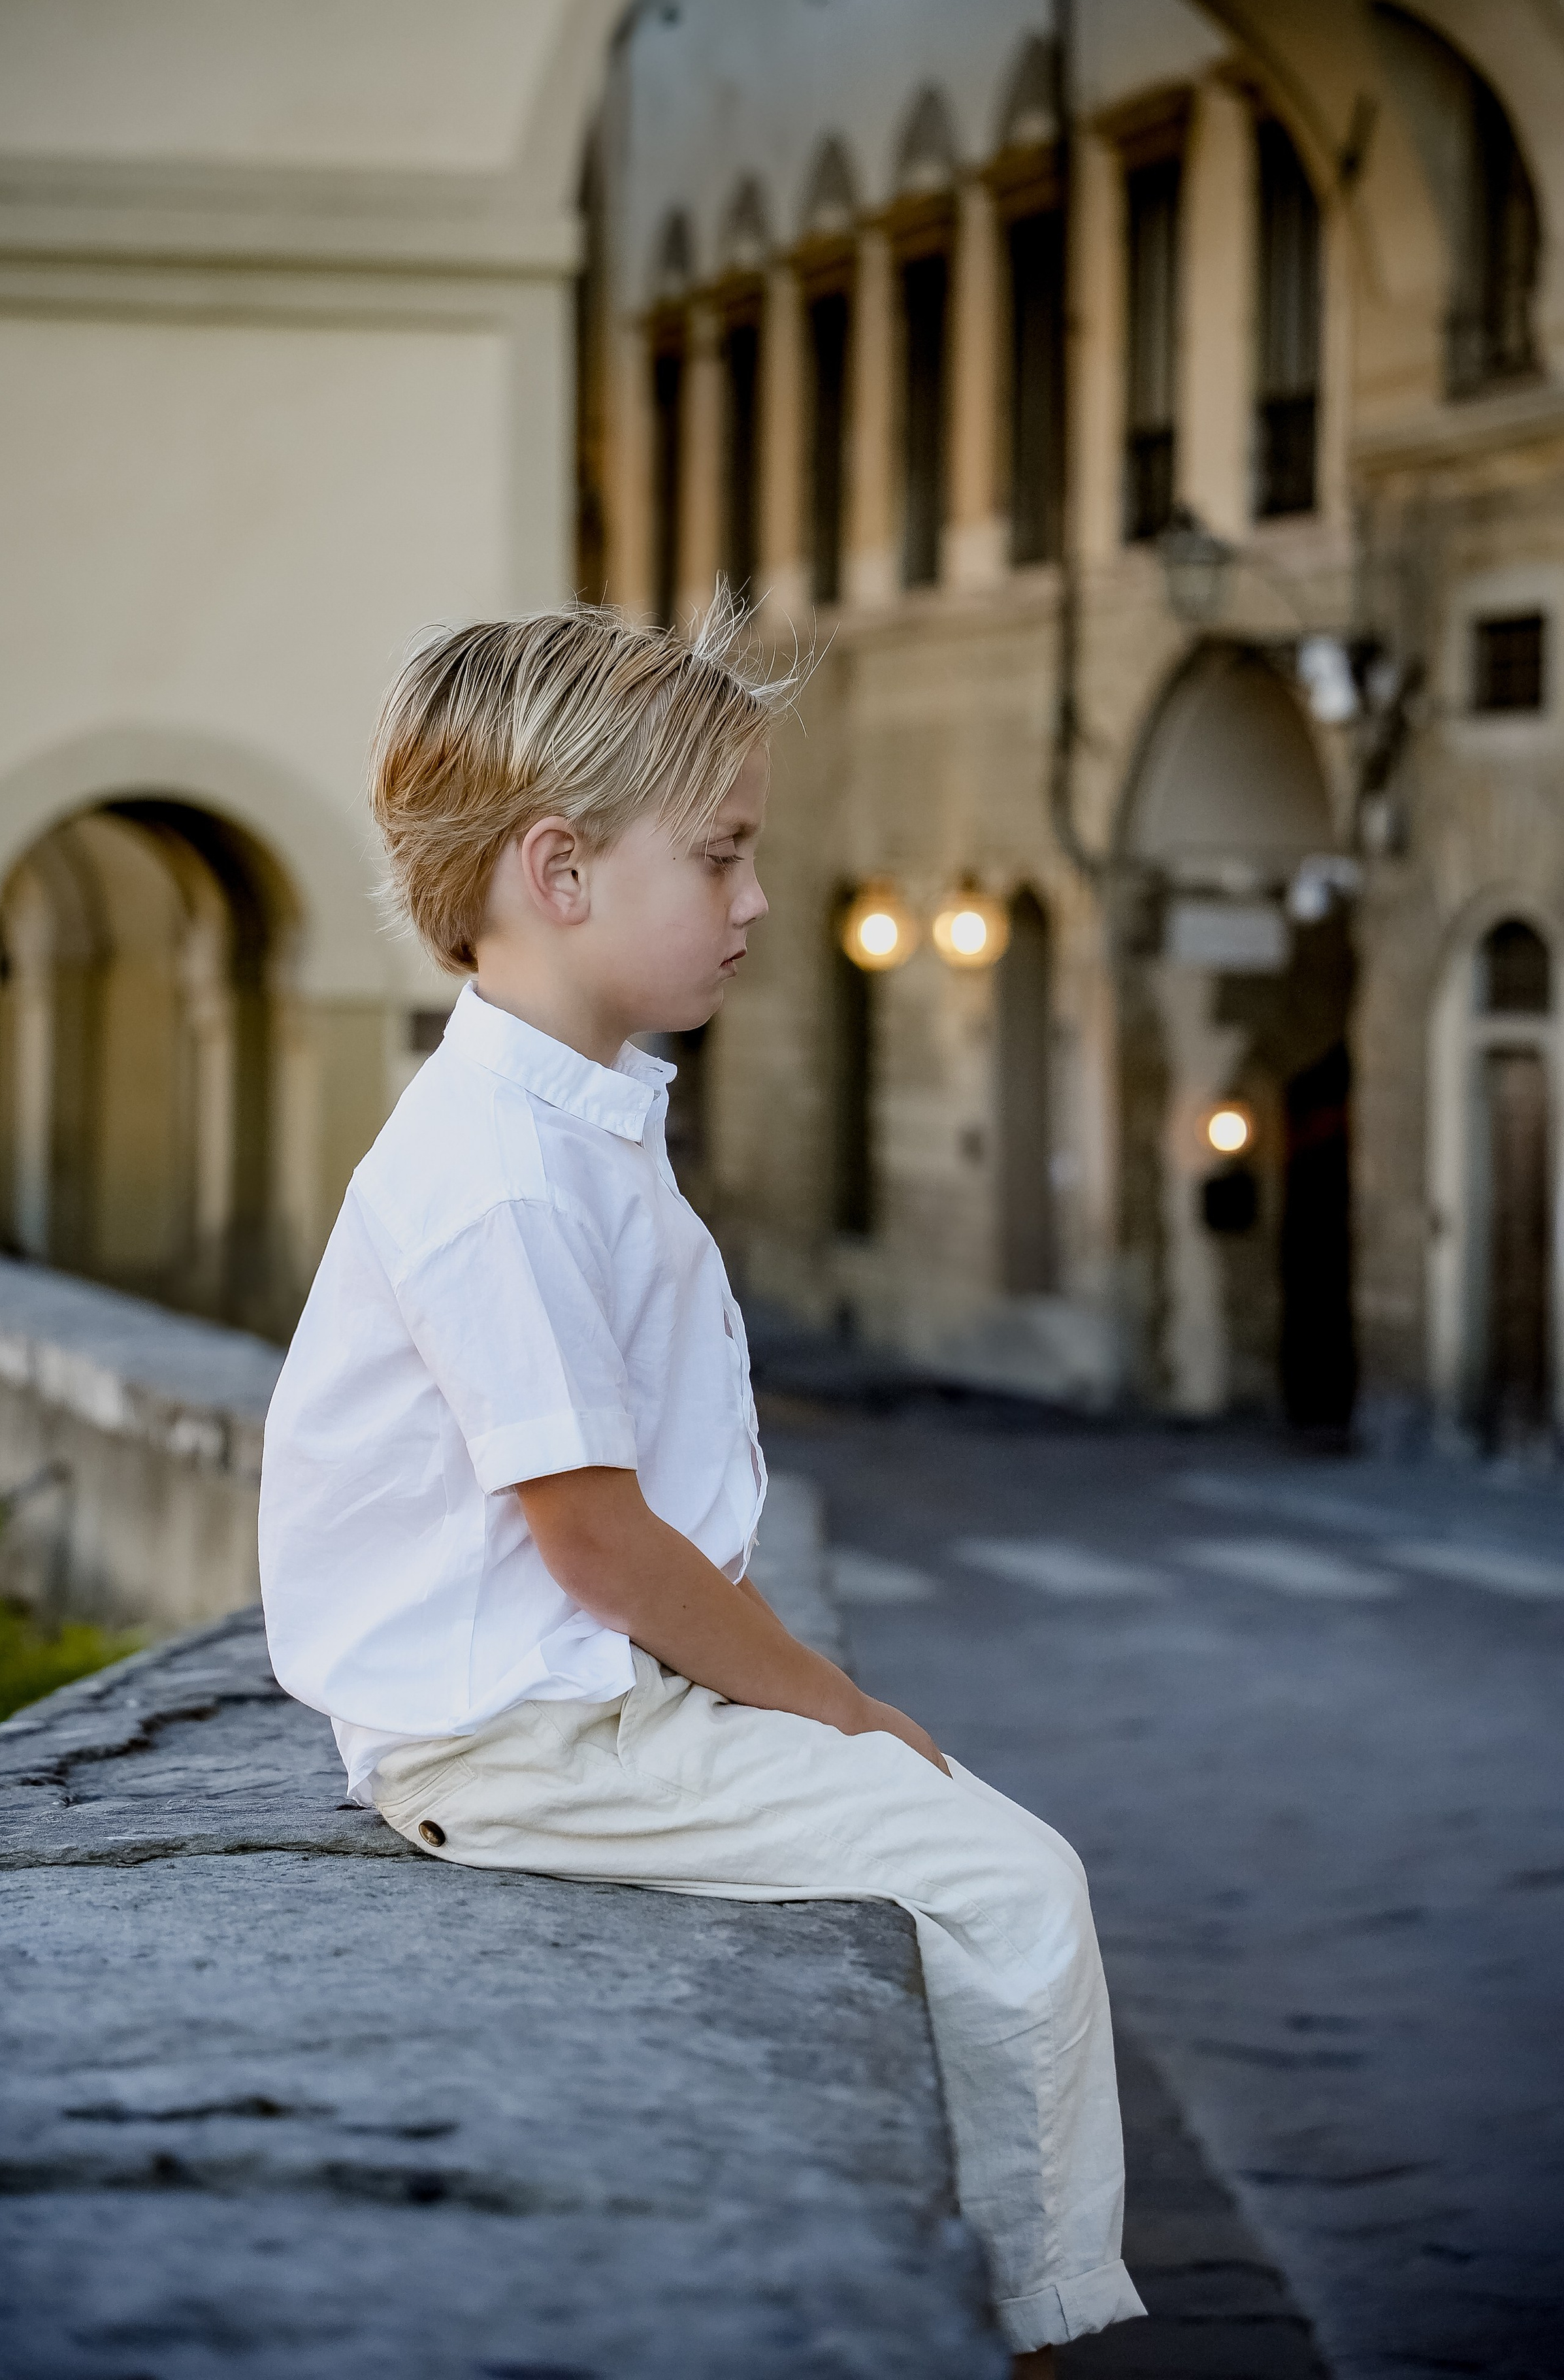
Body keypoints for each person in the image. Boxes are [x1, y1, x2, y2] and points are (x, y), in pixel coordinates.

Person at [259, 602, 1145, 2371]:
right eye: (724, 854)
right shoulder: (497, 1168)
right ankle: (1025, 2336)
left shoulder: (557, 1123)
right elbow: (588, 1531)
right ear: (561, 871)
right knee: (1017, 1884)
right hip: (524, 1743)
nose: (754, 900)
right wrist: (845, 1712)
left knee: (975, 1876)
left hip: (570, 1713)